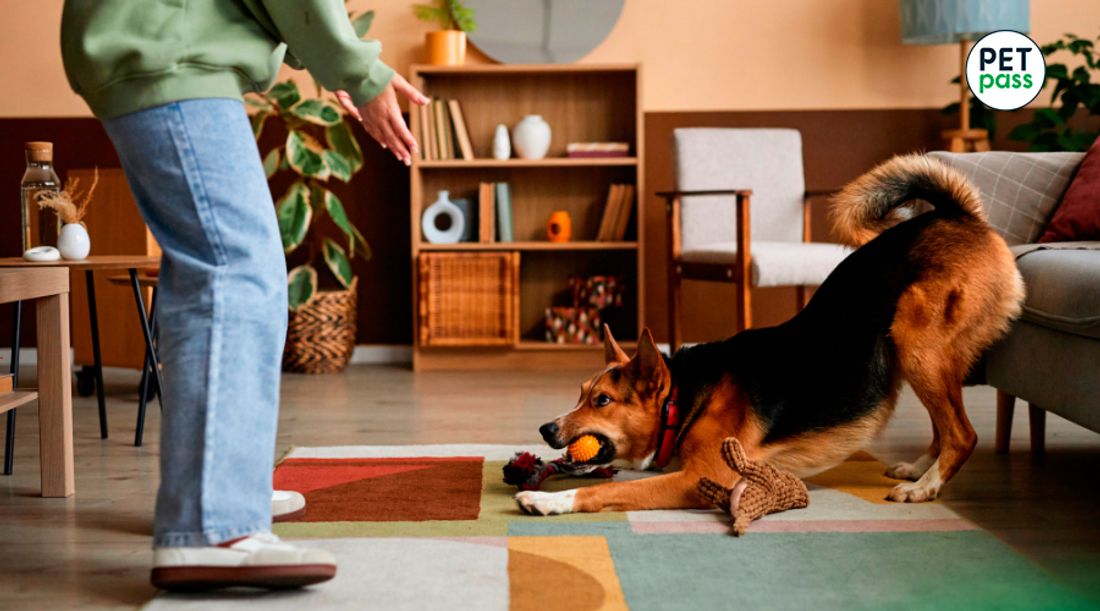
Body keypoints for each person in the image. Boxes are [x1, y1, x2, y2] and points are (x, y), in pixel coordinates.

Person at [60, 0, 427, 591]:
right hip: (170, 49)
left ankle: (221, 493)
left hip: (157, 42)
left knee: (216, 273)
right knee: (234, 273)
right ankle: (212, 526)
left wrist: (328, 56)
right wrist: (360, 72)